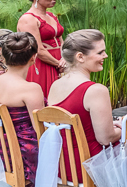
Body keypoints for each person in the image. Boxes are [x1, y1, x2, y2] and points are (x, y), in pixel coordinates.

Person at [47, 29, 120, 173]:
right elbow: (105, 139)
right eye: (100, 52)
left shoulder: (55, 85)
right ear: (80, 57)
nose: (105, 55)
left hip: (62, 166)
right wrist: (124, 127)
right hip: (90, 167)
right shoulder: (95, 90)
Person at [0, 32, 45, 187]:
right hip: (23, 155)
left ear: (3, 57)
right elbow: (40, 130)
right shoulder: (31, 89)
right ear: (33, 57)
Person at [18, 0, 67, 101]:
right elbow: (38, 50)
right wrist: (59, 64)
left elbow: (61, 41)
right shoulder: (28, 19)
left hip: (61, 61)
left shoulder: (52, 16)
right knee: (47, 99)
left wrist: (65, 59)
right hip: (42, 64)